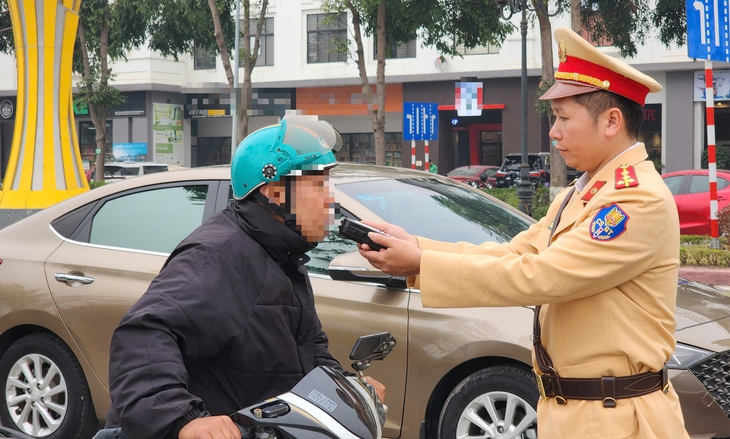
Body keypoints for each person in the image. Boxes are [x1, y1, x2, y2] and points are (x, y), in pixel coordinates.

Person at [357, 27, 688, 438]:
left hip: (617, 417)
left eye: (565, 119)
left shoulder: (636, 200)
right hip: (575, 412)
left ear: (611, 121)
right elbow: (514, 254)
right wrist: (417, 246)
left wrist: (422, 262)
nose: (554, 132)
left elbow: (543, 276)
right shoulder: (583, 191)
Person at [94, 114, 385, 439]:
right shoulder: (220, 254)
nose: (330, 200)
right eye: (318, 185)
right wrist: (184, 420)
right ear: (275, 192)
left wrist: (347, 391)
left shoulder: (283, 257)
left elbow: (308, 351)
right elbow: (144, 333)